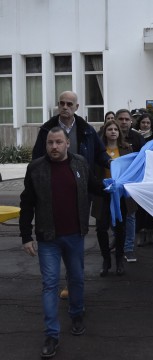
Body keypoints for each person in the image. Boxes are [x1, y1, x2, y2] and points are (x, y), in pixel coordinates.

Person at [20, 127, 104, 358]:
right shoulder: (35, 169)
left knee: (76, 278)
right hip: (48, 238)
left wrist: (118, 187)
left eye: (58, 142)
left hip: (75, 235)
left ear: (67, 143)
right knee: (49, 284)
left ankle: (76, 314)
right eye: (50, 143)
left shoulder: (79, 164)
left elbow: (96, 187)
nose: (54, 147)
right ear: (46, 144)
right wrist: (26, 236)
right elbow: (27, 203)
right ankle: (51, 335)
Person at [32, 91, 111, 300]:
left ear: (77, 107)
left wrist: (114, 165)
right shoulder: (47, 130)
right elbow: (36, 160)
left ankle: (71, 283)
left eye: (69, 104)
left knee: (75, 236)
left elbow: (101, 154)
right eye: (61, 103)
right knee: (52, 236)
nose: (65, 107)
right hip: (52, 193)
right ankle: (52, 281)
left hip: (80, 193)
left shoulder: (86, 129)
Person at [92, 119, 135, 276]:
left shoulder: (126, 148)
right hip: (102, 194)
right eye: (109, 129)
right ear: (105, 132)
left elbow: (131, 170)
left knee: (120, 229)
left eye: (115, 129)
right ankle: (106, 260)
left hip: (121, 195)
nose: (113, 131)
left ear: (119, 132)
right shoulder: (98, 150)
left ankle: (119, 260)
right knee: (101, 228)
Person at [115, 109, 145, 263]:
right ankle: (117, 242)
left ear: (131, 121)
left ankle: (128, 248)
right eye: (121, 119)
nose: (124, 122)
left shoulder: (138, 138)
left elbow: (143, 160)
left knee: (130, 215)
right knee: (114, 215)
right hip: (113, 184)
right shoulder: (108, 135)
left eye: (127, 119)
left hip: (130, 184)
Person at [133, 113, 153, 246]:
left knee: (152, 205)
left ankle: (151, 230)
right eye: (143, 122)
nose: (145, 125)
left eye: (148, 123)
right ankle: (139, 232)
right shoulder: (134, 136)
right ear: (139, 123)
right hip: (138, 175)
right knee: (139, 205)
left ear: (151, 124)